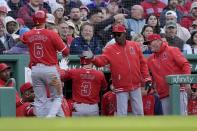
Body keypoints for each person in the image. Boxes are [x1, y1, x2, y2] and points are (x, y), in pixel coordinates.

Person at [82, 23, 152, 116]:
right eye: (114, 35)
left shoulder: (134, 45)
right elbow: (101, 62)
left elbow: (143, 63)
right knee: (121, 114)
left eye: (118, 34)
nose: (116, 37)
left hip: (135, 84)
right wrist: (93, 58)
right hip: (121, 86)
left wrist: (147, 78)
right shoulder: (110, 49)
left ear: (124, 33)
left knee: (139, 112)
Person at [20, 10, 69, 117]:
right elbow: (66, 51)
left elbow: (22, 39)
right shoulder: (51, 34)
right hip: (50, 69)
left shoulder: (28, 34)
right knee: (57, 97)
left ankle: (42, 124)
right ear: (45, 21)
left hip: (35, 70)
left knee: (39, 100)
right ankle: (50, 118)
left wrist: (34, 32)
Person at [146, 34, 192, 115]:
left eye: (150, 43)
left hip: (178, 90)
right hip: (163, 94)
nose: (149, 45)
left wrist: (187, 81)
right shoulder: (150, 59)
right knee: (169, 122)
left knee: (181, 119)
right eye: (148, 44)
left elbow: (185, 64)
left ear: (158, 41)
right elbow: (148, 74)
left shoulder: (172, 50)